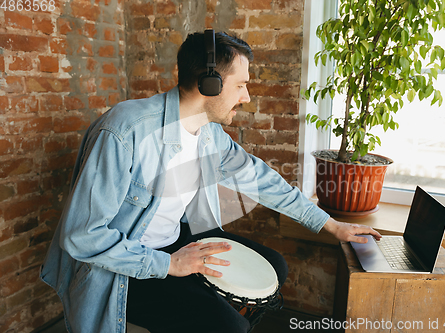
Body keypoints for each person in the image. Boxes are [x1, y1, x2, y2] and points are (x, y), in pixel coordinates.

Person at [40, 30, 381, 333]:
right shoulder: (125, 131)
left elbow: (260, 179)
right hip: (123, 266)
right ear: (210, 84)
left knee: (275, 267)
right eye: (241, 85)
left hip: (175, 241)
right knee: (226, 324)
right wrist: (170, 264)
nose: (246, 97)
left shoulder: (209, 134)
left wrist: (330, 225)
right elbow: (81, 236)